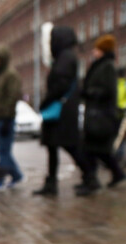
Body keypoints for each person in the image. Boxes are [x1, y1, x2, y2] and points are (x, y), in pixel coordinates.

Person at [34, 26, 87, 196]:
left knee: (69, 145)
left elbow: (60, 85)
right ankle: (51, 183)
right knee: (54, 146)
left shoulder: (66, 57)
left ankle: (90, 176)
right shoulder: (65, 57)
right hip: (61, 110)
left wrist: (46, 101)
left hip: (61, 111)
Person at [76, 34, 126, 196]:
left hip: (101, 116)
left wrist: (88, 93)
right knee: (100, 150)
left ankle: (91, 182)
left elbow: (107, 91)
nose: (94, 51)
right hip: (96, 114)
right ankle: (116, 174)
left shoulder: (107, 67)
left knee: (89, 149)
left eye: (97, 48)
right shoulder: (100, 65)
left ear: (103, 50)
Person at [0, 46, 24, 191]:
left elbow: (12, 98)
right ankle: (17, 175)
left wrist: (8, 119)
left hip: (5, 120)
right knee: (2, 151)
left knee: (4, 152)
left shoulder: (11, 75)